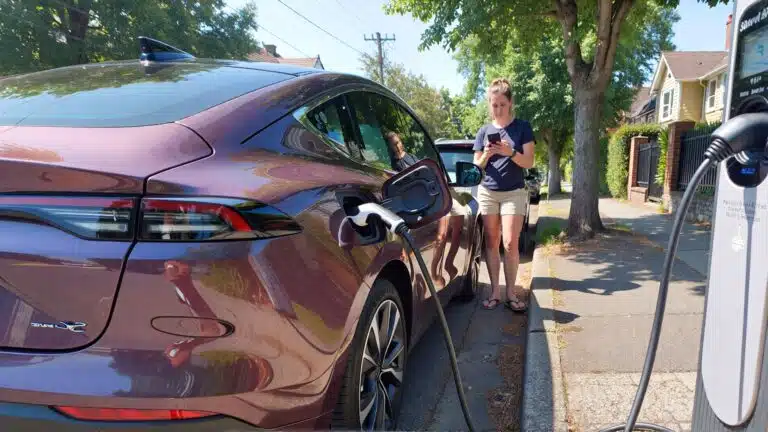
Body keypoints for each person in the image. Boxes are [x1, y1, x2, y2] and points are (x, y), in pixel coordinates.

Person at [472, 78, 535, 311]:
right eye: (494, 105)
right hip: (488, 192)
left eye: (502, 105)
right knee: (491, 241)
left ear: (510, 103)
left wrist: (510, 152)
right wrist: (486, 155)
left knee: (509, 242)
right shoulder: (484, 131)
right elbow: (476, 166)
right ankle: (495, 292)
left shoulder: (522, 128)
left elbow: (529, 161)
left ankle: (511, 293)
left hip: (514, 193)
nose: (498, 109)